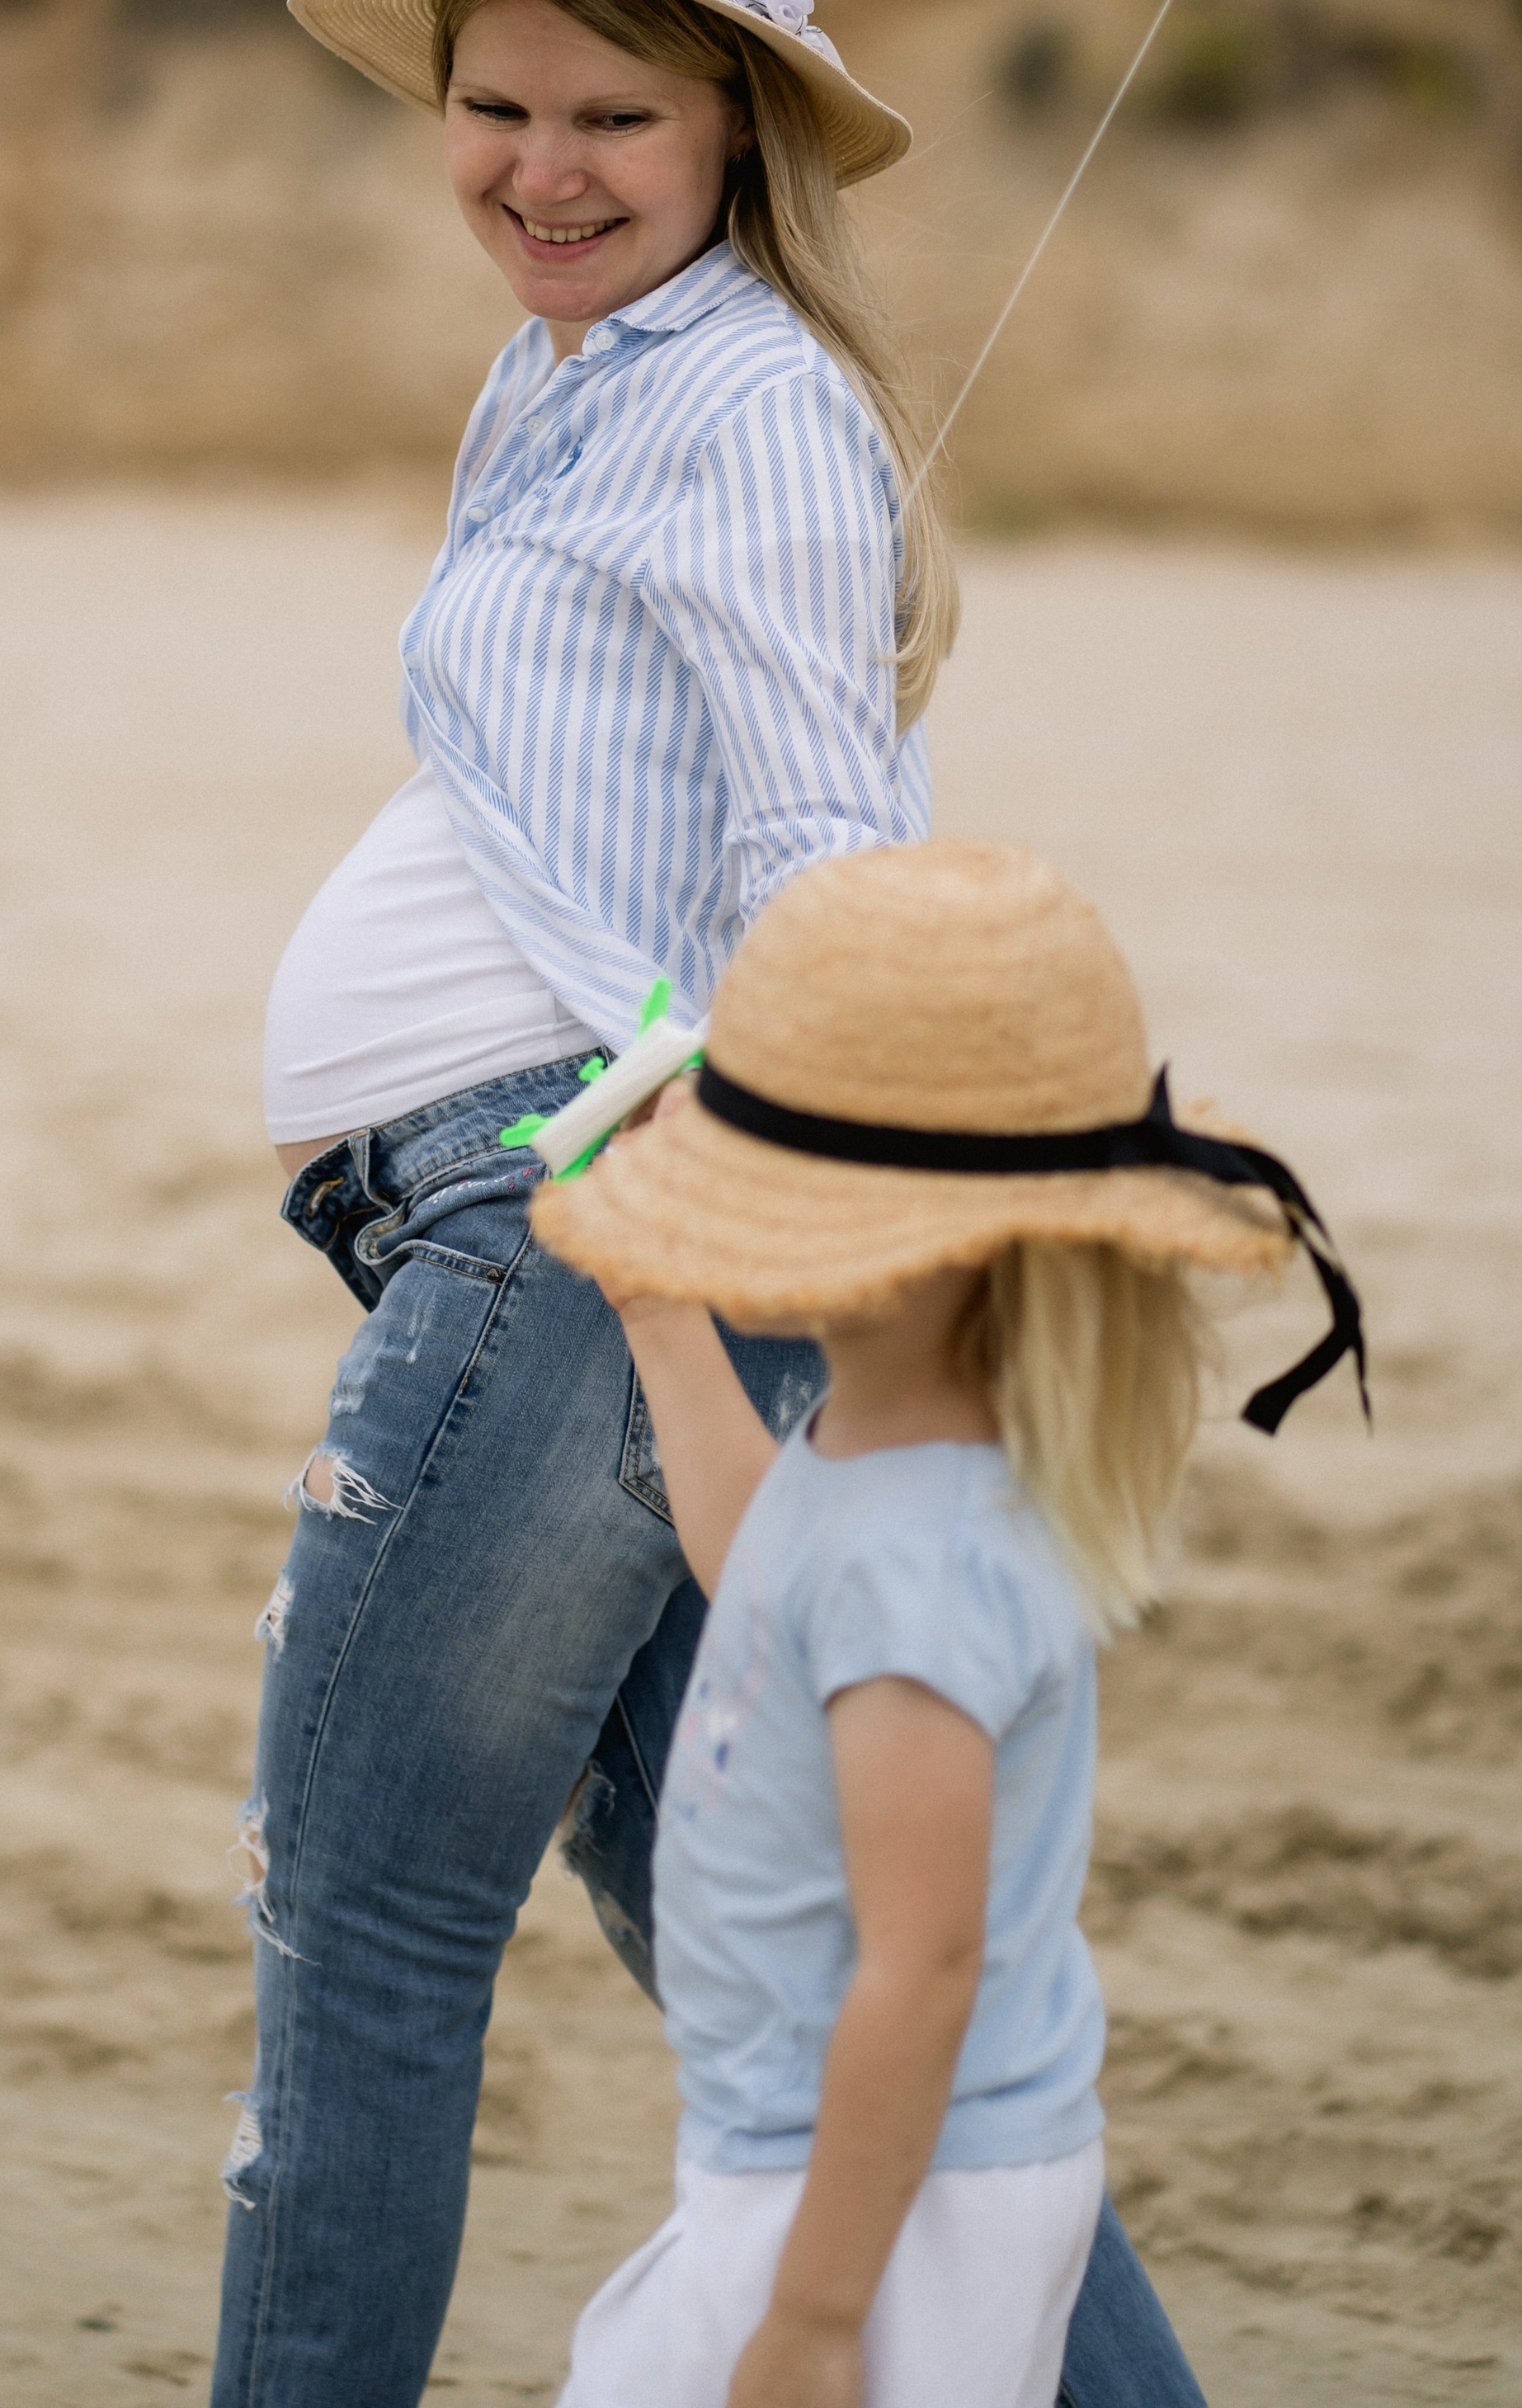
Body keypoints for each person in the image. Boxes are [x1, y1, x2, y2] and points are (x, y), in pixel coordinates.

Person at [214, 0, 1209, 2408]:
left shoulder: (747, 408)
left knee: (370, 1940)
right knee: (761, 1933)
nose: (544, 170)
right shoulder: (571, 376)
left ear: (735, 127)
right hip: (568, 1249)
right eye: (500, 104)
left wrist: (792, 1237)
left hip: (574, 1242)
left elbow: (816, 865)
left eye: (616, 119)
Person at [533, 837, 1361, 2407]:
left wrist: (822, 2313)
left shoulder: (928, 1564)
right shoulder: (884, 1450)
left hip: (883, 2203)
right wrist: (656, 1313)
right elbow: (756, 1560)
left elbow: (925, 1962)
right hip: (834, 2160)